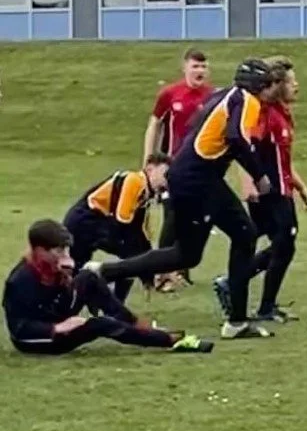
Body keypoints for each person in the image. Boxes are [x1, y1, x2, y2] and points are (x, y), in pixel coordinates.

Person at [89, 59, 280, 340]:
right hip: (200, 178)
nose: (270, 92)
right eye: (268, 86)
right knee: (244, 234)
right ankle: (236, 321)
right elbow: (236, 138)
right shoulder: (247, 100)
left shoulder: (223, 95)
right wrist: (259, 176)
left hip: (188, 175)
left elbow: (197, 125)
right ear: (259, 85)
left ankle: (103, 271)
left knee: (187, 254)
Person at [5, 220, 212, 355]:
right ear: (40, 250)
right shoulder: (20, 281)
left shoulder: (54, 265)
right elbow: (19, 330)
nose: (65, 255)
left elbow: (60, 297)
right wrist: (57, 328)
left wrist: (67, 278)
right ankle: (169, 340)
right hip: (39, 339)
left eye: (66, 249)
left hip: (57, 315)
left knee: (88, 277)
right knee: (100, 324)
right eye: (59, 250)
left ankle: (137, 324)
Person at [226, 57, 307, 324]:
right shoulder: (263, 114)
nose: (296, 85)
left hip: (282, 189)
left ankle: (244, 288)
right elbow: (244, 146)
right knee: (283, 243)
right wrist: (247, 180)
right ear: (277, 84)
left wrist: (302, 188)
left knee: (281, 244)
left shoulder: (283, 114)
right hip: (270, 191)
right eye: (291, 81)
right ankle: (248, 293)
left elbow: (284, 160)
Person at [144, 47, 214, 292]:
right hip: (173, 167)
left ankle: (181, 270)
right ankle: (161, 273)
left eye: (204, 66)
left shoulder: (212, 96)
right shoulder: (170, 94)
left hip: (200, 169)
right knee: (172, 218)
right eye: (195, 66)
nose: (200, 71)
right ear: (185, 67)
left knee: (193, 219)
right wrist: (148, 161)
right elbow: (154, 125)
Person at [64, 154, 170, 304]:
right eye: (165, 174)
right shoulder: (135, 180)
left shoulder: (145, 193)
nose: (166, 180)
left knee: (131, 258)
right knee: (129, 259)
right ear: (150, 169)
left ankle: (108, 301)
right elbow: (123, 221)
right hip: (85, 221)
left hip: (94, 222)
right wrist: (145, 264)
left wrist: (149, 264)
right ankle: (107, 297)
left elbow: (140, 231)